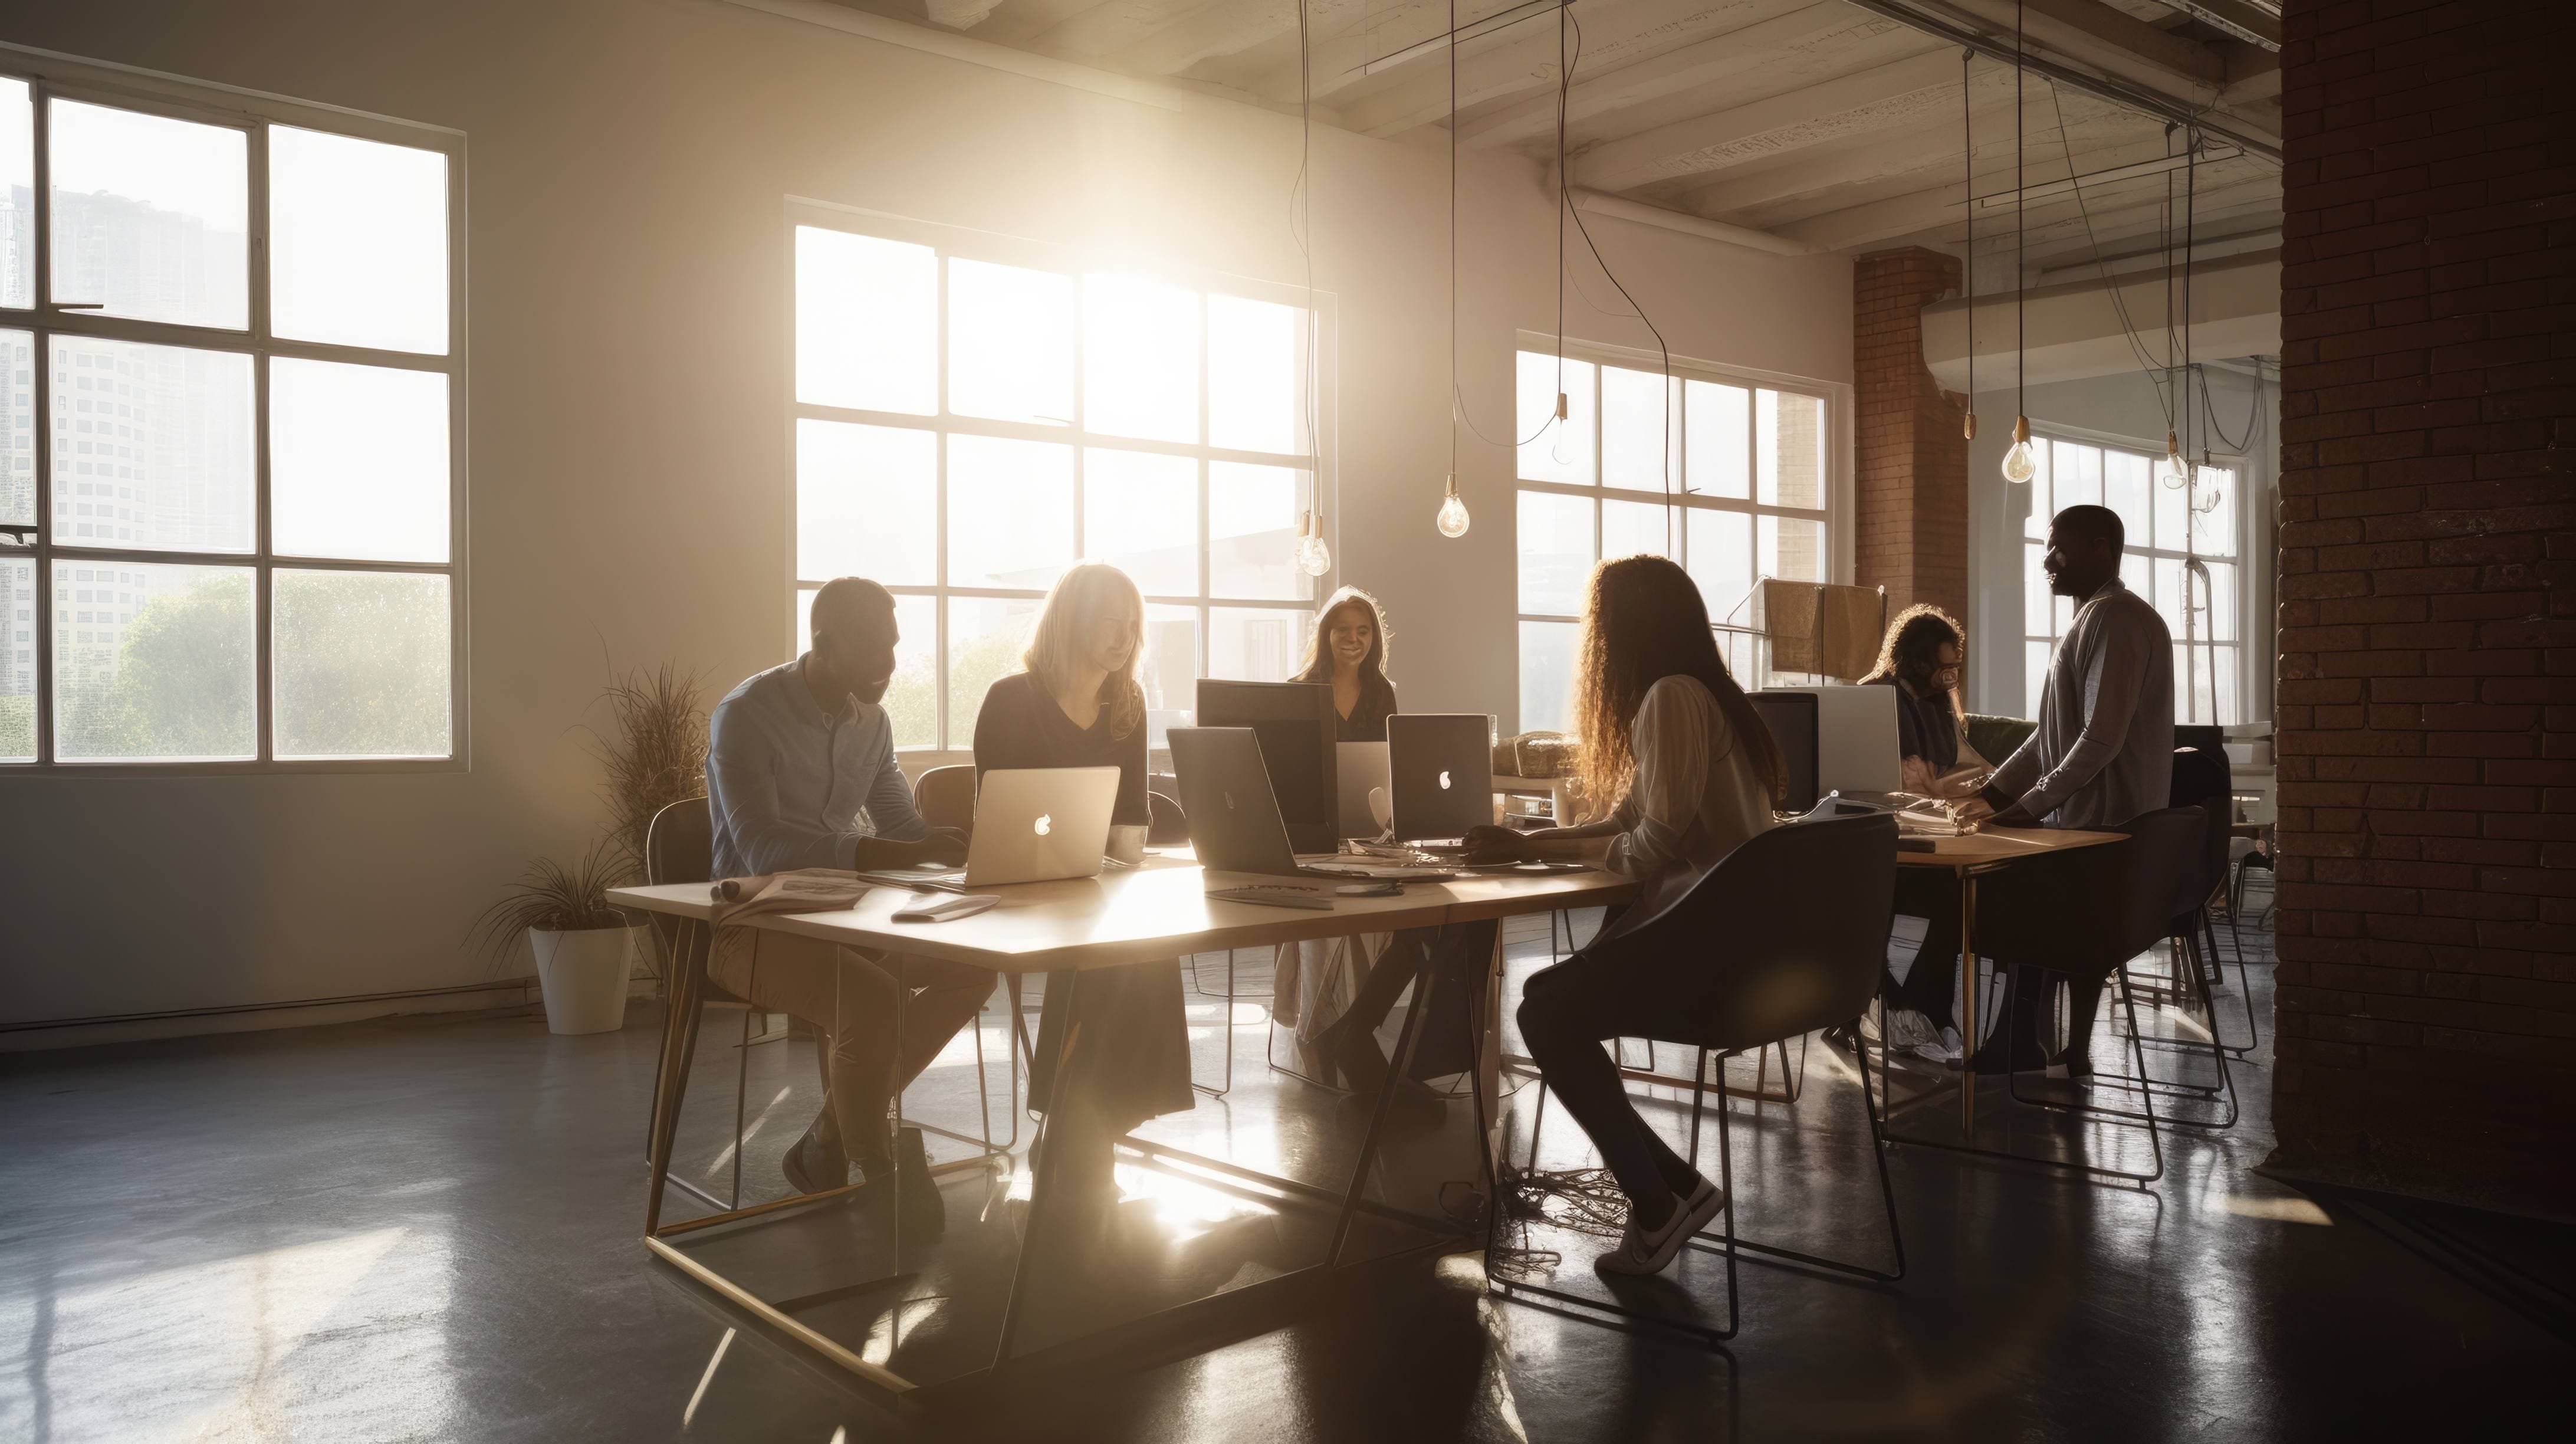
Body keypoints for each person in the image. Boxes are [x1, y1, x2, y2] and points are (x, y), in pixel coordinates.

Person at [1469, 554, 1786, 1276]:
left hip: (1711, 947)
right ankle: (1675, 1187)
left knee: (1546, 1015)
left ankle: (1658, 1204)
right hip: (1734, 934)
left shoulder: (1671, 698)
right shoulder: (1703, 693)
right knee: (1553, 1007)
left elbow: (1650, 848)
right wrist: (1528, 844)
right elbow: (1629, 820)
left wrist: (1554, 859)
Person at [705, 577, 994, 1225]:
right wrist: (882, 853)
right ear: (823, 643)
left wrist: (956, 842)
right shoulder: (747, 714)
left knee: (972, 970)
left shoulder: (875, 723)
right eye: (873, 650)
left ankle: (827, 1139)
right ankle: (878, 1165)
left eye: (893, 647)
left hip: (849, 918)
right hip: (751, 927)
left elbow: (899, 824)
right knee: (872, 999)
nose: (890, 665)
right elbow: (760, 845)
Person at [1893, 504, 2174, 1075]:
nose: (2047, 559)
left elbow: (2100, 739)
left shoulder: (2114, 620)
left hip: (2098, 844)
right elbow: (2052, 738)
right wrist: (1991, 800)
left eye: (2059, 548)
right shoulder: (2095, 618)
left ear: (2102, 548)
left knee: (1952, 900)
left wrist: (2027, 809)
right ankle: (1994, 1038)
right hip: (2087, 837)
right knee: (1955, 896)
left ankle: (1982, 1039)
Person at [972, 563, 1194, 1206]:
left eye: (1134, 625)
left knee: (1143, 944)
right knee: (1110, 952)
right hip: (1019, 891)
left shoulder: (1127, 705)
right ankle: (1081, 1130)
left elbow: (1130, 824)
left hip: (1091, 888)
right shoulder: (1011, 700)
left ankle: (1079, 1126)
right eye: (1111, 620)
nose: (1126, 636)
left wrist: (1123, 864)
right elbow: (1002, 821)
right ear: (1072, 619)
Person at [1861, 603, 1983, 799]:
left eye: (1956, 667)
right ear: (1919, 663)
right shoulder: (1878, 697)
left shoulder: (1937, 698)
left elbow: (1953, 762)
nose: (1951, 676)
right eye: (1945, 667)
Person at [1291, 586, 1399, 741]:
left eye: (1362, 632)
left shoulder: (1382, 692)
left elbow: (1389, 759)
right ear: (1327, 634)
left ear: (1373, 638)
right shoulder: (1298, 691)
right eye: (1343, 629)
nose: (1353, 638)